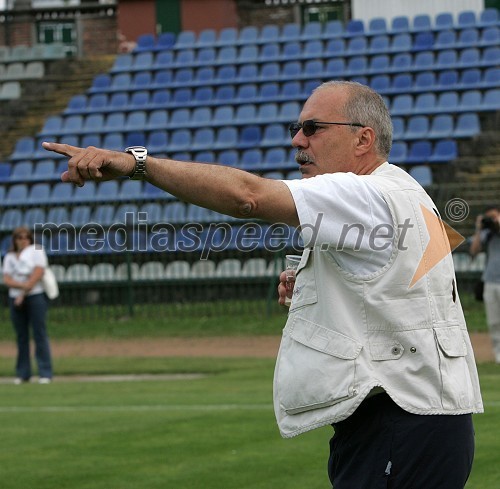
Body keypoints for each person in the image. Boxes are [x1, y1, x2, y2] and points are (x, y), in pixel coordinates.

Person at [43, 80, 483, 488]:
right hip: (418, 419)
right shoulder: (405, 190)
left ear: (363, 139)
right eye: (297, 129)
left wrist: (137, 164)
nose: (297, 140)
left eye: (312, 128)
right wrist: (317, 286)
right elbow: (402, 283)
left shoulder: (364, 193)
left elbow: (247, 197)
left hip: (399, 423)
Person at [2, 226, 53, 384]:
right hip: (15, 297)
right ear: (15, 240)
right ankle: (23, 373)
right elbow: (7, 279)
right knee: (21, 336)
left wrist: (23, 293)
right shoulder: (10, 257)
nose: (23, 240)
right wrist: (21, 289)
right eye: (20, 237)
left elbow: (38, 273)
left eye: (26, 237)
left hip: (34, 296)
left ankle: (45, 372)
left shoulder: (36, 251)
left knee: (39, 333)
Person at [470, 205, 500, 363]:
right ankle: (498, 355)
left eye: (493, 216)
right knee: (494, 321)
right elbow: (474, 251)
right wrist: (479, 229)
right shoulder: (487, 234)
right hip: (490, 280)